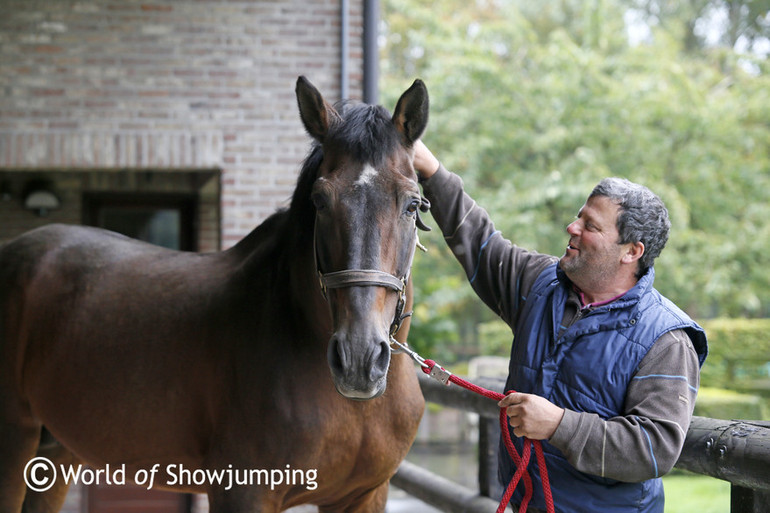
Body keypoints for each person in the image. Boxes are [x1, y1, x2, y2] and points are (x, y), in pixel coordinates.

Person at [412, 141, 708, 513]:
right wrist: (432, 172)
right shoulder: (540, 284)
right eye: (578, 216)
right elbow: (480, 242)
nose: (572, 227)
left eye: (590, 226)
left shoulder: (667, 340)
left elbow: (653, 448)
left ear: (631, 251)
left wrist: (558, 425)